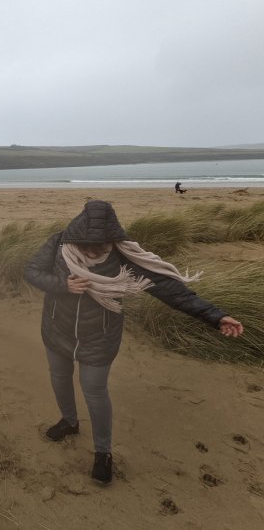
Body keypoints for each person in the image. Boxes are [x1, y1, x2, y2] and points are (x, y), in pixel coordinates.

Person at [23, 200, 243, 485]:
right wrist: (62, 286)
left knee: (95, 391)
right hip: (57, 331)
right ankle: (69, 421)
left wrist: (216, 316)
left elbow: (170, 290)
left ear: (112, 241)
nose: (92, 253)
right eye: (86, 247)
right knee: (59, 378)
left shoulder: (121, 255)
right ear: (76, 236)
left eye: (100, 247)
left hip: (99, 338)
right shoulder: (59, 244)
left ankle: (103, 453)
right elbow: (31, 271)